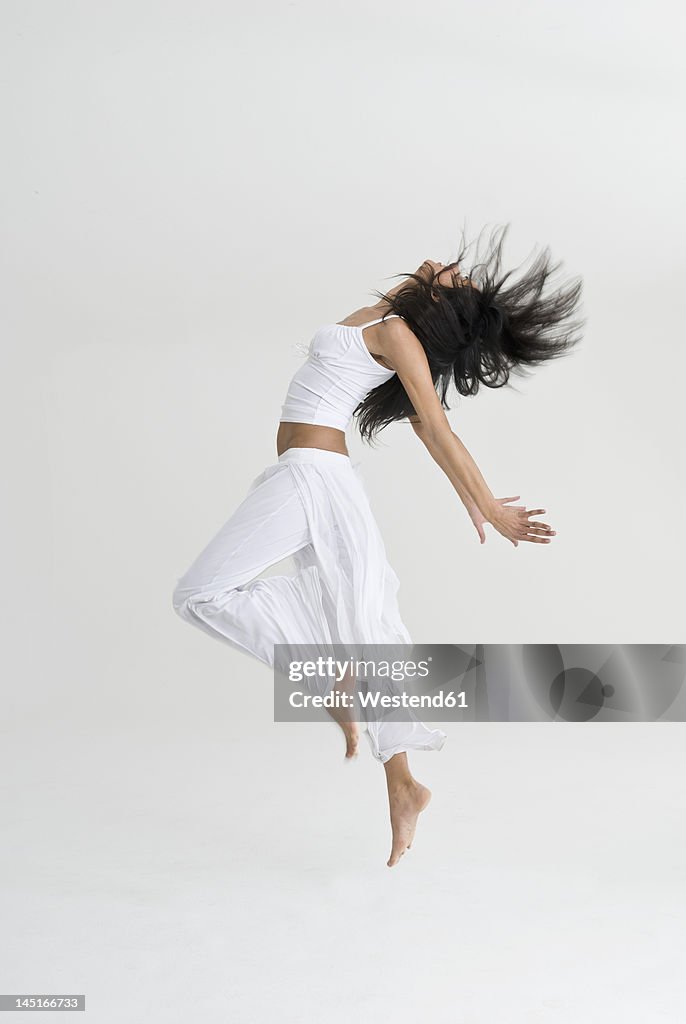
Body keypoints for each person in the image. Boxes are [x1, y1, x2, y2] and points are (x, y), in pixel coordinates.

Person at [172, 224, 584, 867]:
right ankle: (402, 783)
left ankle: (332, 680)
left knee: (202, 595)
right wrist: (428, 283)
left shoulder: (397, 335)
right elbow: (424, 413)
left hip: (312, 477)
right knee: (358, 620)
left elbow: (436, 430)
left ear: (444, 306)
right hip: (304, 478)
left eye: (460, 278)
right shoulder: (392, 315)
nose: (452, 265)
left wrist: (490, 506)